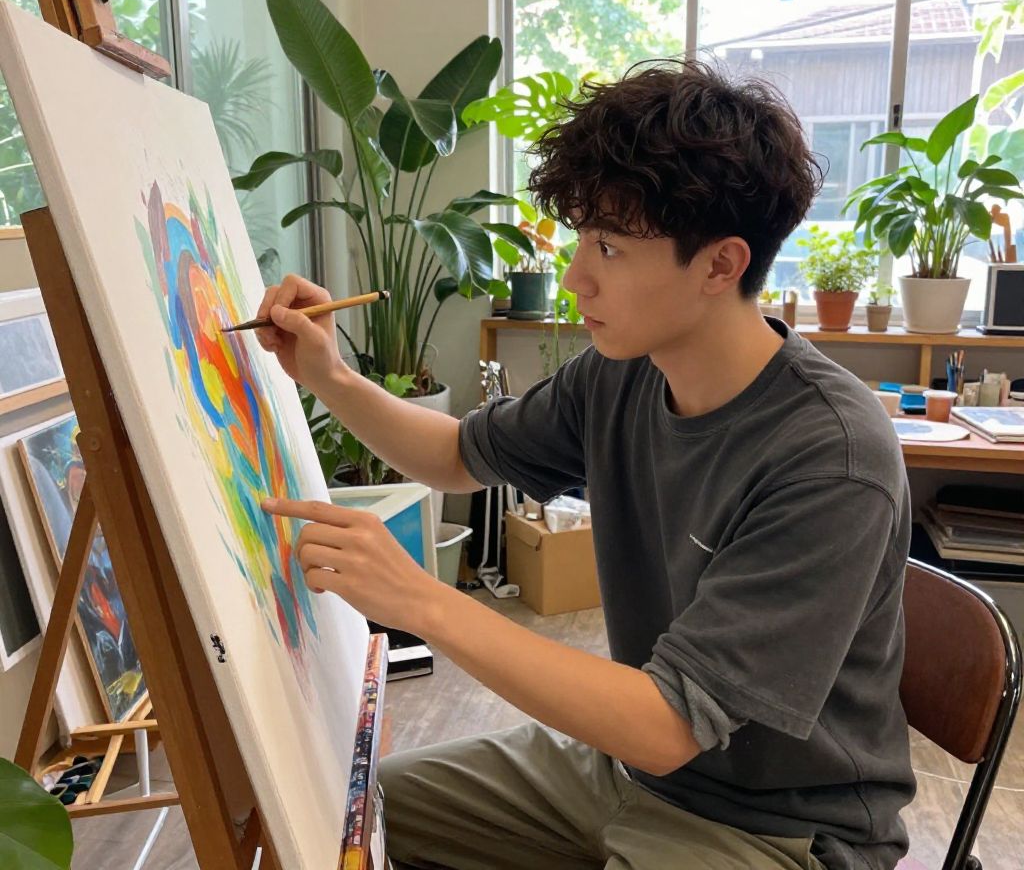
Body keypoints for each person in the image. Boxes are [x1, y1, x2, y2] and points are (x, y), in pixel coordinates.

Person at [257, 60, 915, 870]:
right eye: (582, 239)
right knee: (348, 816)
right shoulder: (621, 373)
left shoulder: (831, 456)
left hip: (776, 827)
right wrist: (328, 375)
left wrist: (418, 599)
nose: (574, 278)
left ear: (720, 265)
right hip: (624, 773)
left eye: (609, 247)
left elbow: (668, 724)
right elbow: (457, 454)